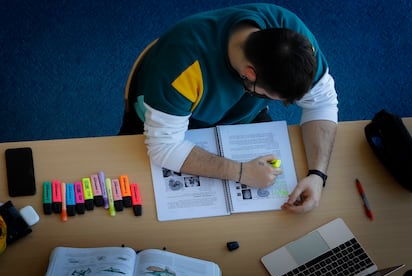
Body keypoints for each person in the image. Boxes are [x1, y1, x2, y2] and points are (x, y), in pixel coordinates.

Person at [119, 3, 338, 213]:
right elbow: (163, 147)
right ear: (250, 74)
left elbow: (322, 102)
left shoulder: (297, 42)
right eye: (272, 96)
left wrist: (317, 175)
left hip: (243, 115)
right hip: (170, 120)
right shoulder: (182, 65)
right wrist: (241, 172)